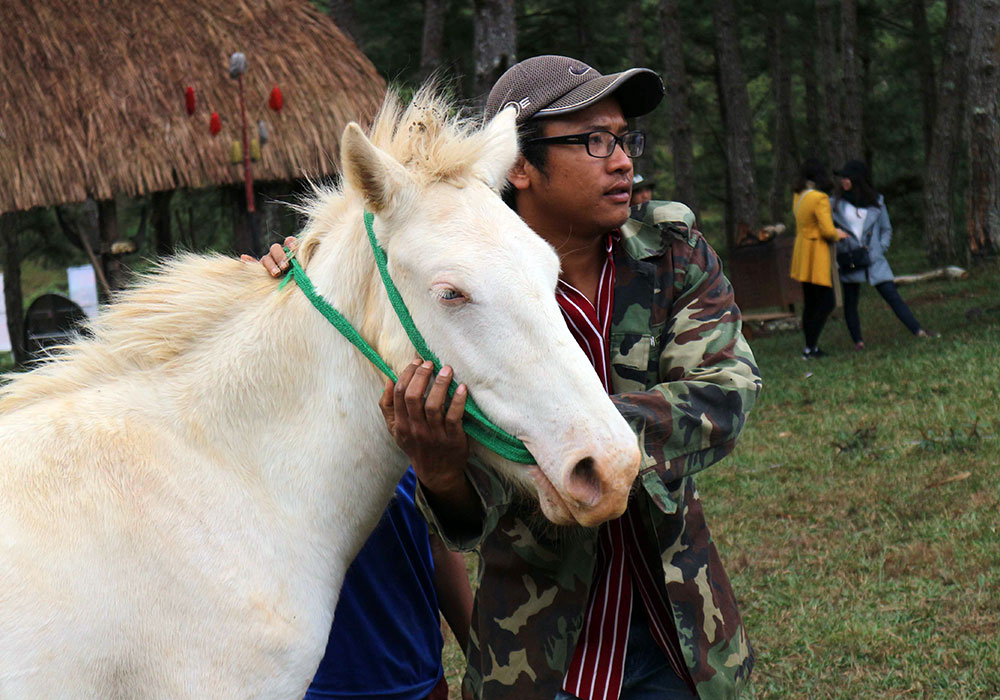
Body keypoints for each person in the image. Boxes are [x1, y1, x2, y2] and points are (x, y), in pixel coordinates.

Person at [262, 55, 761, 700]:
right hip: (538, 656)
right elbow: (466, 513)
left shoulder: (672, 252)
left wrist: (585, 432)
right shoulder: (455, 289)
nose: (622, 160)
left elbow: (726, 390)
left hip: (678, 631)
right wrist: (442, 471)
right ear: (519, 166)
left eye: (624, 138)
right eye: (592, 140)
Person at [303, 468, 473, 700]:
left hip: (416, 681)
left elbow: (439, 547)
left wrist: (479, 661)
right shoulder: (268, 454)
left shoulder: (410, 445)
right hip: (312, 687)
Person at [831, 159, 935, 349]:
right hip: (849, 259)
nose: (844, 181)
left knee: (891, 295)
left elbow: (886, 229)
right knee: (851, 301)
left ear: (858, 179)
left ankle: (917, 330)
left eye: (847, 177)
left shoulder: (876, 202)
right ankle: (858, 342)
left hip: (874, 260)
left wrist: (881, 247)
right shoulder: (835, 204)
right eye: (842, 178)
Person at [789, 158, 849, 359]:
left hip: (802, 251)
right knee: (826, 301)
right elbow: (827, 230)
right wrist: (838, 234)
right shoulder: (819, 198)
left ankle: (809, 347)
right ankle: (812, 346)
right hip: (816, 253)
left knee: (810, 302)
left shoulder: (799, 196)